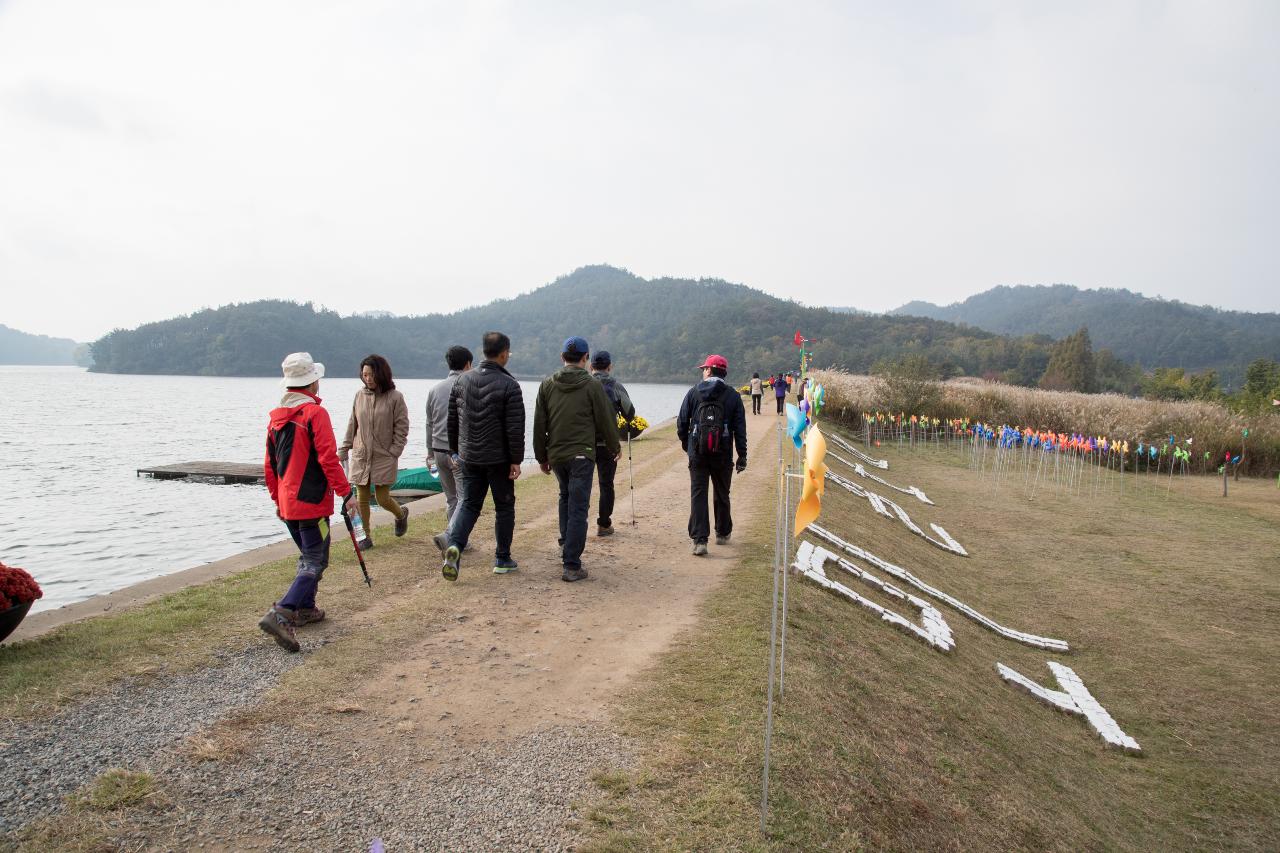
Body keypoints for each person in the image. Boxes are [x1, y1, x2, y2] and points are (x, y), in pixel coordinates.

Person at [259, 352, 354, 653]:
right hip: (311, 502)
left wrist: (277, 499)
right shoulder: (315, 414)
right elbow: (328, 458)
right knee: (315, 559)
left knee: (309, 557)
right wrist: (346, 493)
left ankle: (306, 608)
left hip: (288, 502)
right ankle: (283, 612)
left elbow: (269, 466)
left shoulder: (275, 418)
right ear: (312, 382)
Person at [435, 331, 525, 580]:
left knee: (470, 504)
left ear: (484, 351)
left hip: (469, 456)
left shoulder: (462, 381)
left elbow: (451, 421)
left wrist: (455, 450)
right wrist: (516, 459)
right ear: (505, 353)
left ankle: (454, 546)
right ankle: (503, 558)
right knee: (504, 507)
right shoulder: (510, 385)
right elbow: (515, 427)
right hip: (499, 459)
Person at [534, 337, 621, 582]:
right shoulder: (591, 385)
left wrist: (541, 455)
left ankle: (566, 543)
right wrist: (614, 446)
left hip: (558, 453)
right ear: (585, 358)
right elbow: (605, 419)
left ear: (562, 357)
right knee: (578, 506)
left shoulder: (547, 384)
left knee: (565, 496)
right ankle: (571, 564)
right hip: (582, 453)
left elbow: (540, 422)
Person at [677, 354, 748, 556]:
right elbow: (740, 429)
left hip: (697, 453)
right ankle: (723, 533)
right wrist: (742, 455)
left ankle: (700, 541)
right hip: (723, 453)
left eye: (704, 369)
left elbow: (682, 423)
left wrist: (688, 445)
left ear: (708, 370)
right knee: (722, 492)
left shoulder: (693, 393)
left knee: (698, 494)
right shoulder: (733, 396)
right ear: (724, 373)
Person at [338, 354, 410, 550]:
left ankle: (401, 514)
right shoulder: (359, 395)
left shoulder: (395, 397)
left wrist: (395, 450)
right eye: (364, 375)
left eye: (371, 374)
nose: (368, 378)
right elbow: (353, 424)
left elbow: (402, 427)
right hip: (361, 454)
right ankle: (365, 537)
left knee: (382, 498)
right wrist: (344, 448)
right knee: (361, 496)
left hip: (384, 455)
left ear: (381, 374)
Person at [425, 345, 473, 524]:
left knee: (451, 498)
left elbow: (429, 423)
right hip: (458, 451)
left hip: (438, 450)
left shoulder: (434, 390)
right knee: (463, 497)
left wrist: (429, 452)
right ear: (468, 364)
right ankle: (452, 536)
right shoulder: (468, 387)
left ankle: (454, 536)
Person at [589, 350, 634, 537]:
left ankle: (576, 525)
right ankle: (604, 524)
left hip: (584, 443)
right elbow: (629, 413)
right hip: (608, 444)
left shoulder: (583, 384)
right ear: (609, 367)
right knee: (606, 484)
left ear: (591, 366)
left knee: (581, 485)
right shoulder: (615, 386)